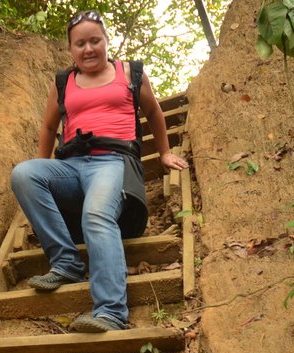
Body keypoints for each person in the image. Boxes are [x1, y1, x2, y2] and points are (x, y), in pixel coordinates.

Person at [10, 9, 188, 333]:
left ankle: (111, 312)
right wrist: (45, 166)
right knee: (24, 174)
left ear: (107, 42)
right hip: (70, 164)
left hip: (113, 162)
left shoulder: (129, 73)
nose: (88, 49)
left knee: (96, 213)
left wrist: (164, 153)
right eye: (80, 44)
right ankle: (66, 263)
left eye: (95, 40)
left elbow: (154, 112)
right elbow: (49, 127)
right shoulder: (63, 83)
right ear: (71, 50)